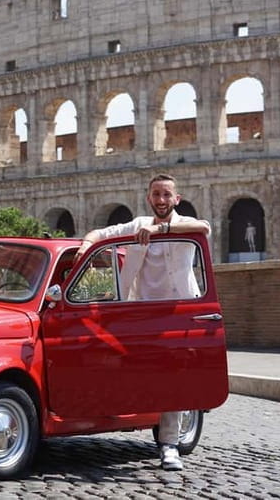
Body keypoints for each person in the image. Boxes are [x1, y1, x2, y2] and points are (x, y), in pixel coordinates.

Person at [75, 173, 211, 471]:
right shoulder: (136, 225)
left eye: (167, 195)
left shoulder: (186, 225)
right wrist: (86, 244)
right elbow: (101, 233)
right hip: (139, 313)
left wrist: (162, 228)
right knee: (130, 371)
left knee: (172, 378)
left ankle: (169, 445)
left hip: (179, 311)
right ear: (149, 198)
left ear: (177, 199)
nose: (161, 200)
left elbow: (204, 227)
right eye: (156, 194)